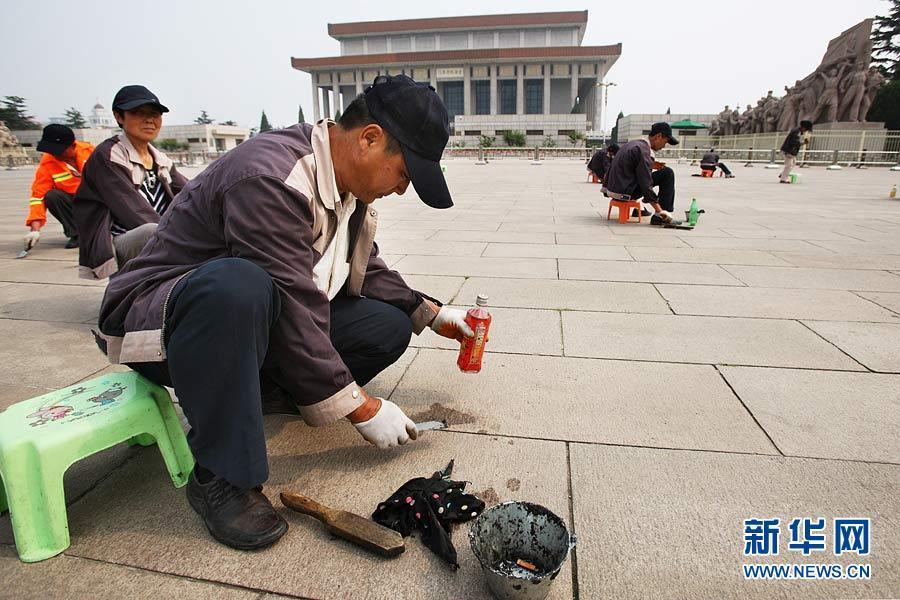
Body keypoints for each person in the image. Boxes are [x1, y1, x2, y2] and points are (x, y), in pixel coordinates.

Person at [94, 75, 475, 551]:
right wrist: (361, 405)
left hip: (247, 322)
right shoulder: (272, 176)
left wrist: (432, 314)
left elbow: (362, 264)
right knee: (241, 285)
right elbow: (292, 301)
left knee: (386, 326)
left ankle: (253, 397)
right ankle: (221, 473)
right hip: (163, 319)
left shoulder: (344, 182)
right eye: (404, 174)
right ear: (370, 138)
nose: (401, 190)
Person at [74, 85, 187, 279]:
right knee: (154, 232)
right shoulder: (109, 155)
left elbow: (191, 191)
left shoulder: (159, 158)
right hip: (123, 240)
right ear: (119, 117)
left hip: (159, 233)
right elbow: (135, 212)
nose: (149, 120)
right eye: (138, 113)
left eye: (155, 114)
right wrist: (182, 236)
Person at [24, 124, 93, 251]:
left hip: (97, 200)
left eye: (58, 151)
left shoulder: (90, 152)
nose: (54, 154)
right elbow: (37, 196)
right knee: (52, 196)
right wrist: (35, 230)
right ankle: (78, 234)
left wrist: (85, 176)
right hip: (74, 203)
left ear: (73, 146)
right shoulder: (48, 163)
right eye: (51, 151)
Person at [603, 122, 679, 222]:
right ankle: (662, 215)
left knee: (660, 173)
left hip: (613, 189)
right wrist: (659, 210)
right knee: (667, 173)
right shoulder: (644, 151)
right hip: (624, 191)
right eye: (665, 142)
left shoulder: (634, 144)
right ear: (659, 136)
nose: (663, 146)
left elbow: (632, 167)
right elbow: (645, 183)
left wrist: (652, 164)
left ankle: (659, 213)